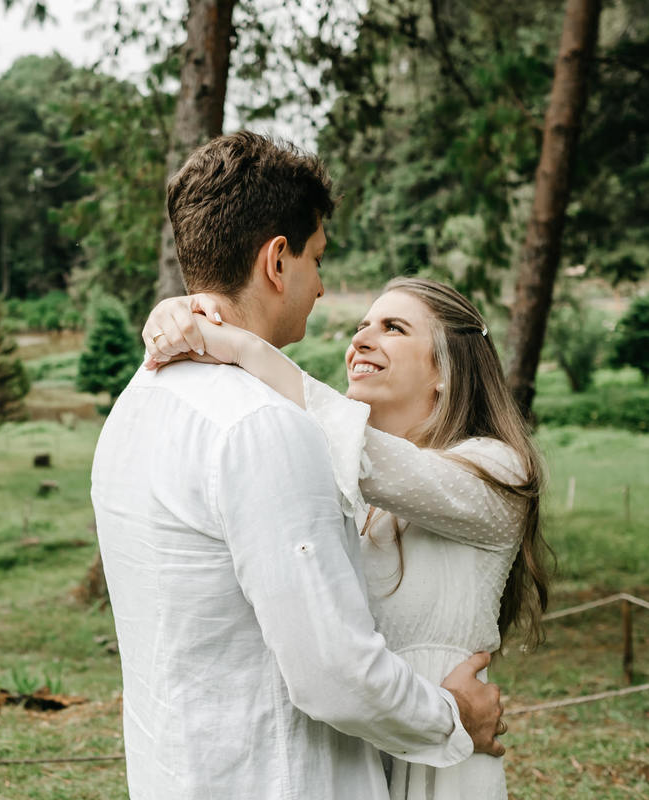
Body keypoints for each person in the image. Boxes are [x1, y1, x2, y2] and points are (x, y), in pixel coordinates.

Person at [90, 131, 504, 800]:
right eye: (317, 258)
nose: (322, 287)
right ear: (277, 261)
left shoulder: (133, 410)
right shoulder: (262, 428)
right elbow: (334, 675)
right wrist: (453, 717)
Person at [141, 276, 551, 800]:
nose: (361, 339)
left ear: (447, 370)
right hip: (353, 744)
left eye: (393, 328)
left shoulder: (497, 470)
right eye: (361, 327)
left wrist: (241, 346)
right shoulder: (353, 488)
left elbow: (362, 450)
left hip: (440, 759)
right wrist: (178, 312)